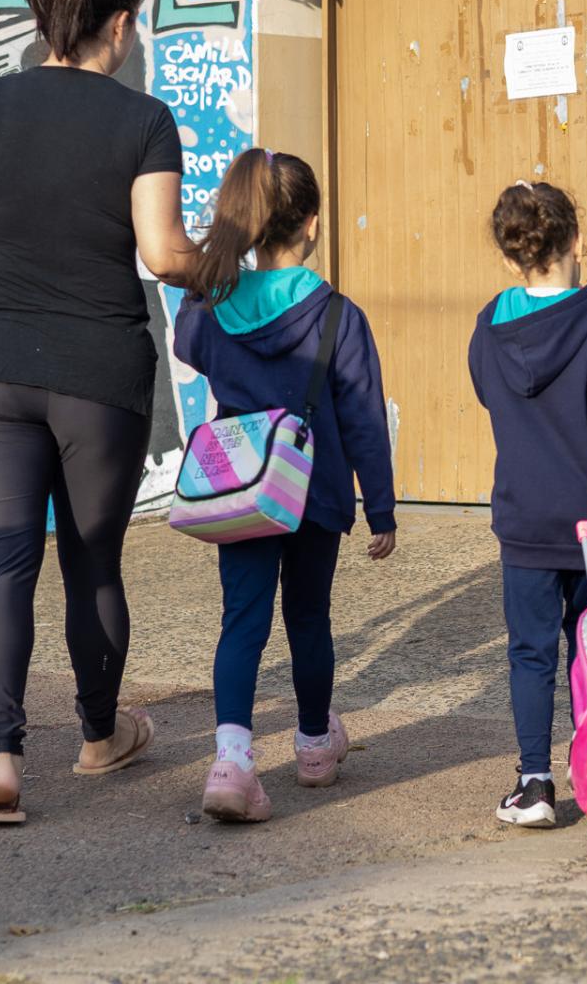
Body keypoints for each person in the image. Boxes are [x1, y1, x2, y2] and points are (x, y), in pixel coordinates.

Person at [0, 0, 199, 826]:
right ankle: (100, 737)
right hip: (97, 372)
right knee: (92, 559)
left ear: (39, 20)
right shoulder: (145, 119)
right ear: (122, 23)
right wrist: (231, 263)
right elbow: (162, 254)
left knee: (5, 557)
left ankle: (1, 763)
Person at [172, 149, 397, 824]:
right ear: (314, 224)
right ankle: (311, 744)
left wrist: (208, 267)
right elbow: (362, 414)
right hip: (314, 486)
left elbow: (186, 343)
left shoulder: (213, 306)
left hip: (239, 484)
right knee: (308, 618)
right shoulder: (338, 315)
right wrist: (379, 504)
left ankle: (233, 760)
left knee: (242, 618)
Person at [469, 183, 587, 828]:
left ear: (510, 257)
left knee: (529, 652)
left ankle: (534, 782)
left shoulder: (491, 326)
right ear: (578, 240)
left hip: (523, 516)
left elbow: (489, 395)